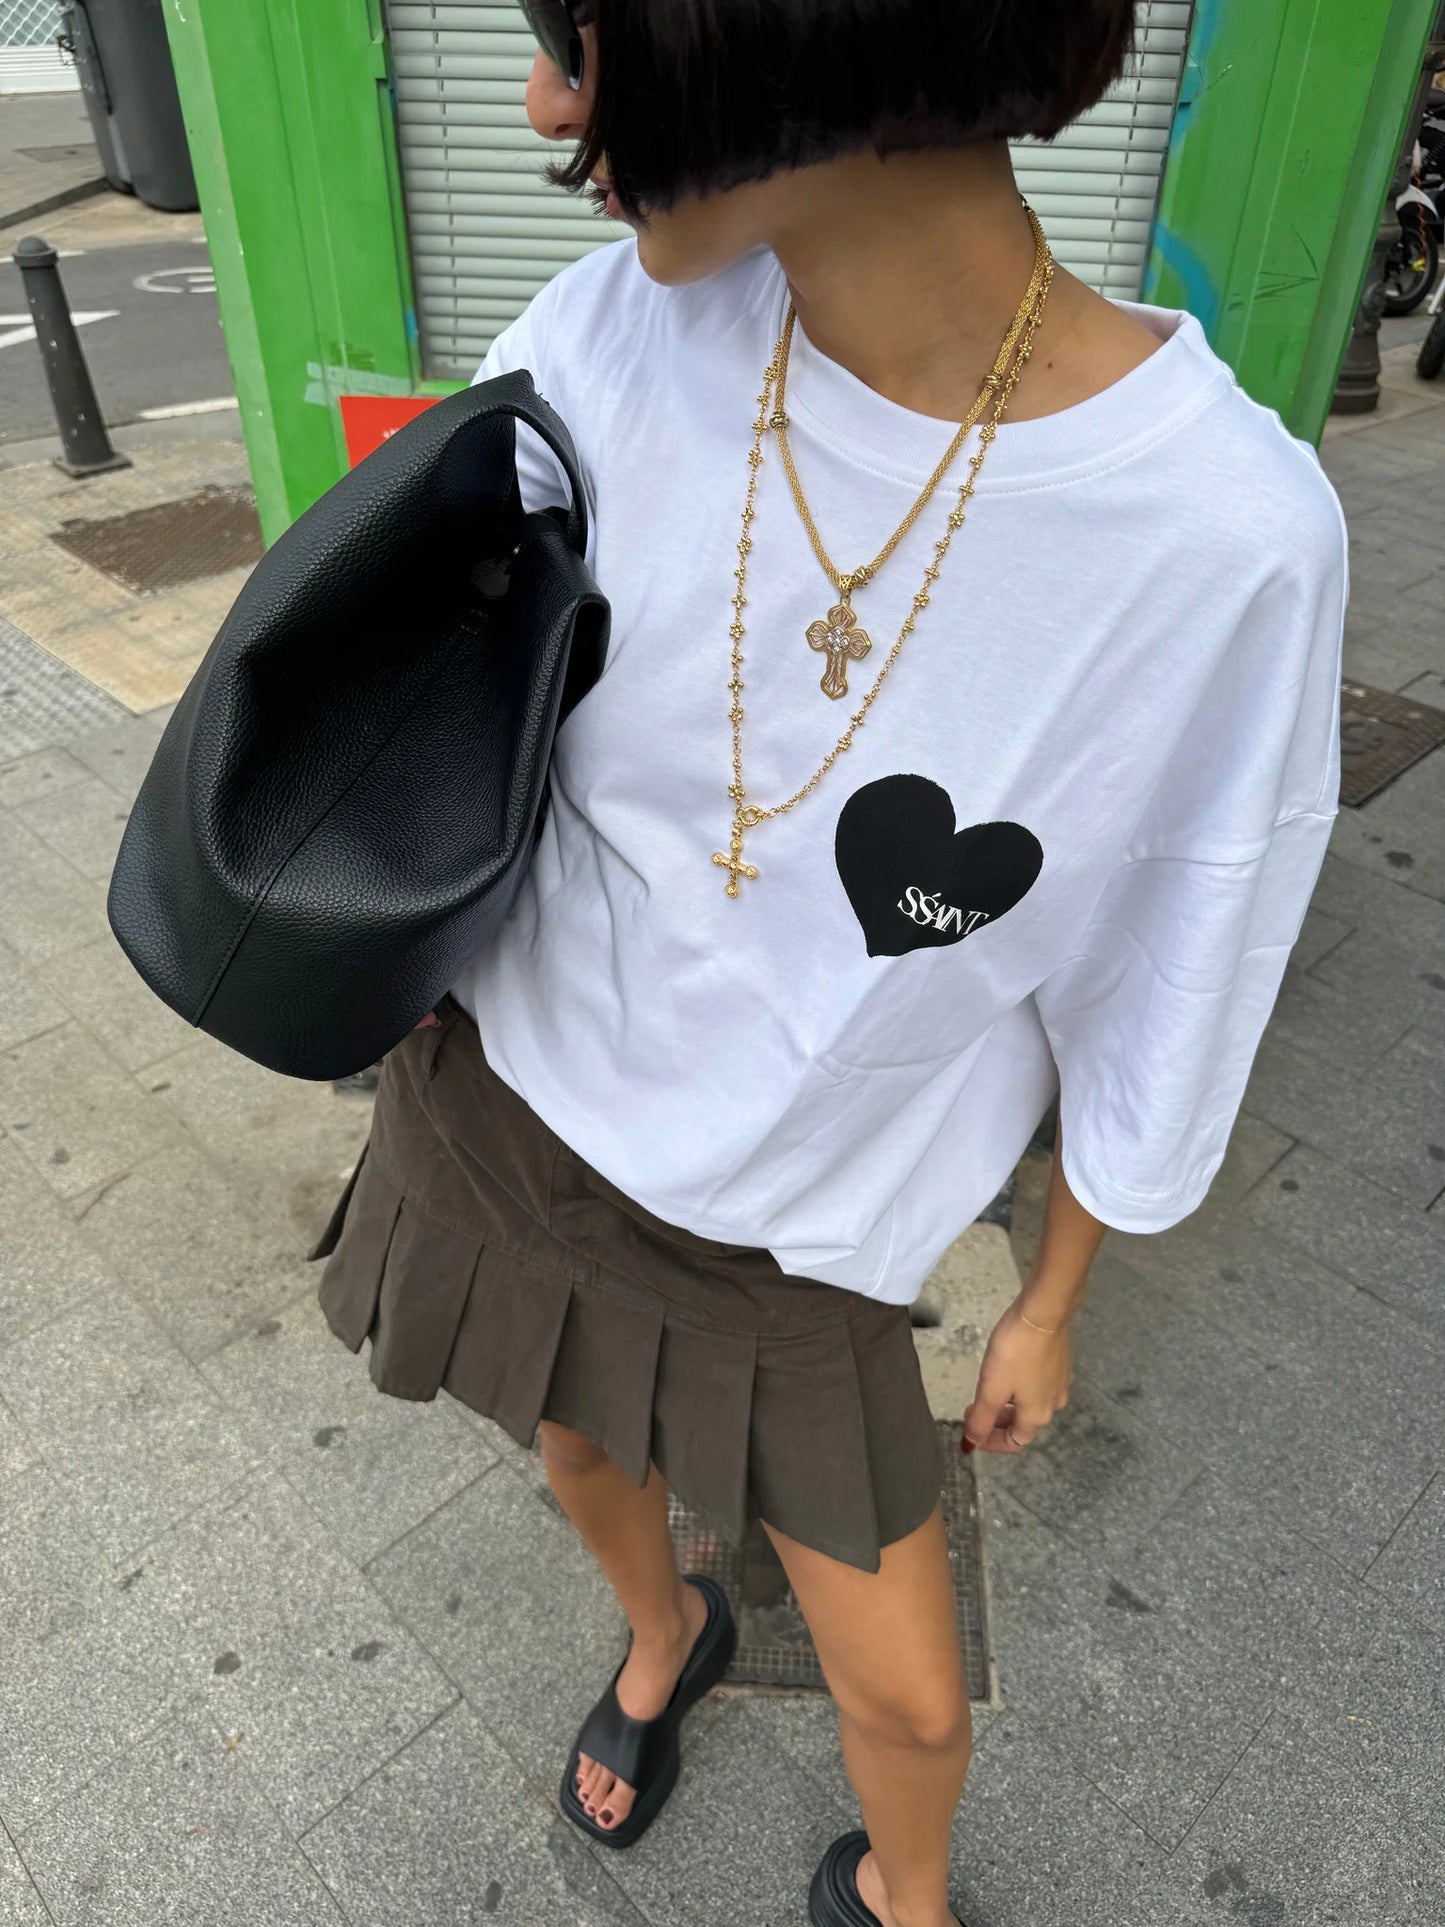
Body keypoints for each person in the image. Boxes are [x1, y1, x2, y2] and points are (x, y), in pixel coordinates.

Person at [308, 2, 1347, 1922]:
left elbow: (1174, 970)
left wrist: (1052, 1295)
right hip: (511, 1101)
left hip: (800, 1234)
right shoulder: (605, 332)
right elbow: (454, 698)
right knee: (577, 1454)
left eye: (583, 31)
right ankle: (662, 1636)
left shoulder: (1221, 541)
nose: (541, 100)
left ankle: (904, 1895)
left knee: (913, 1697)